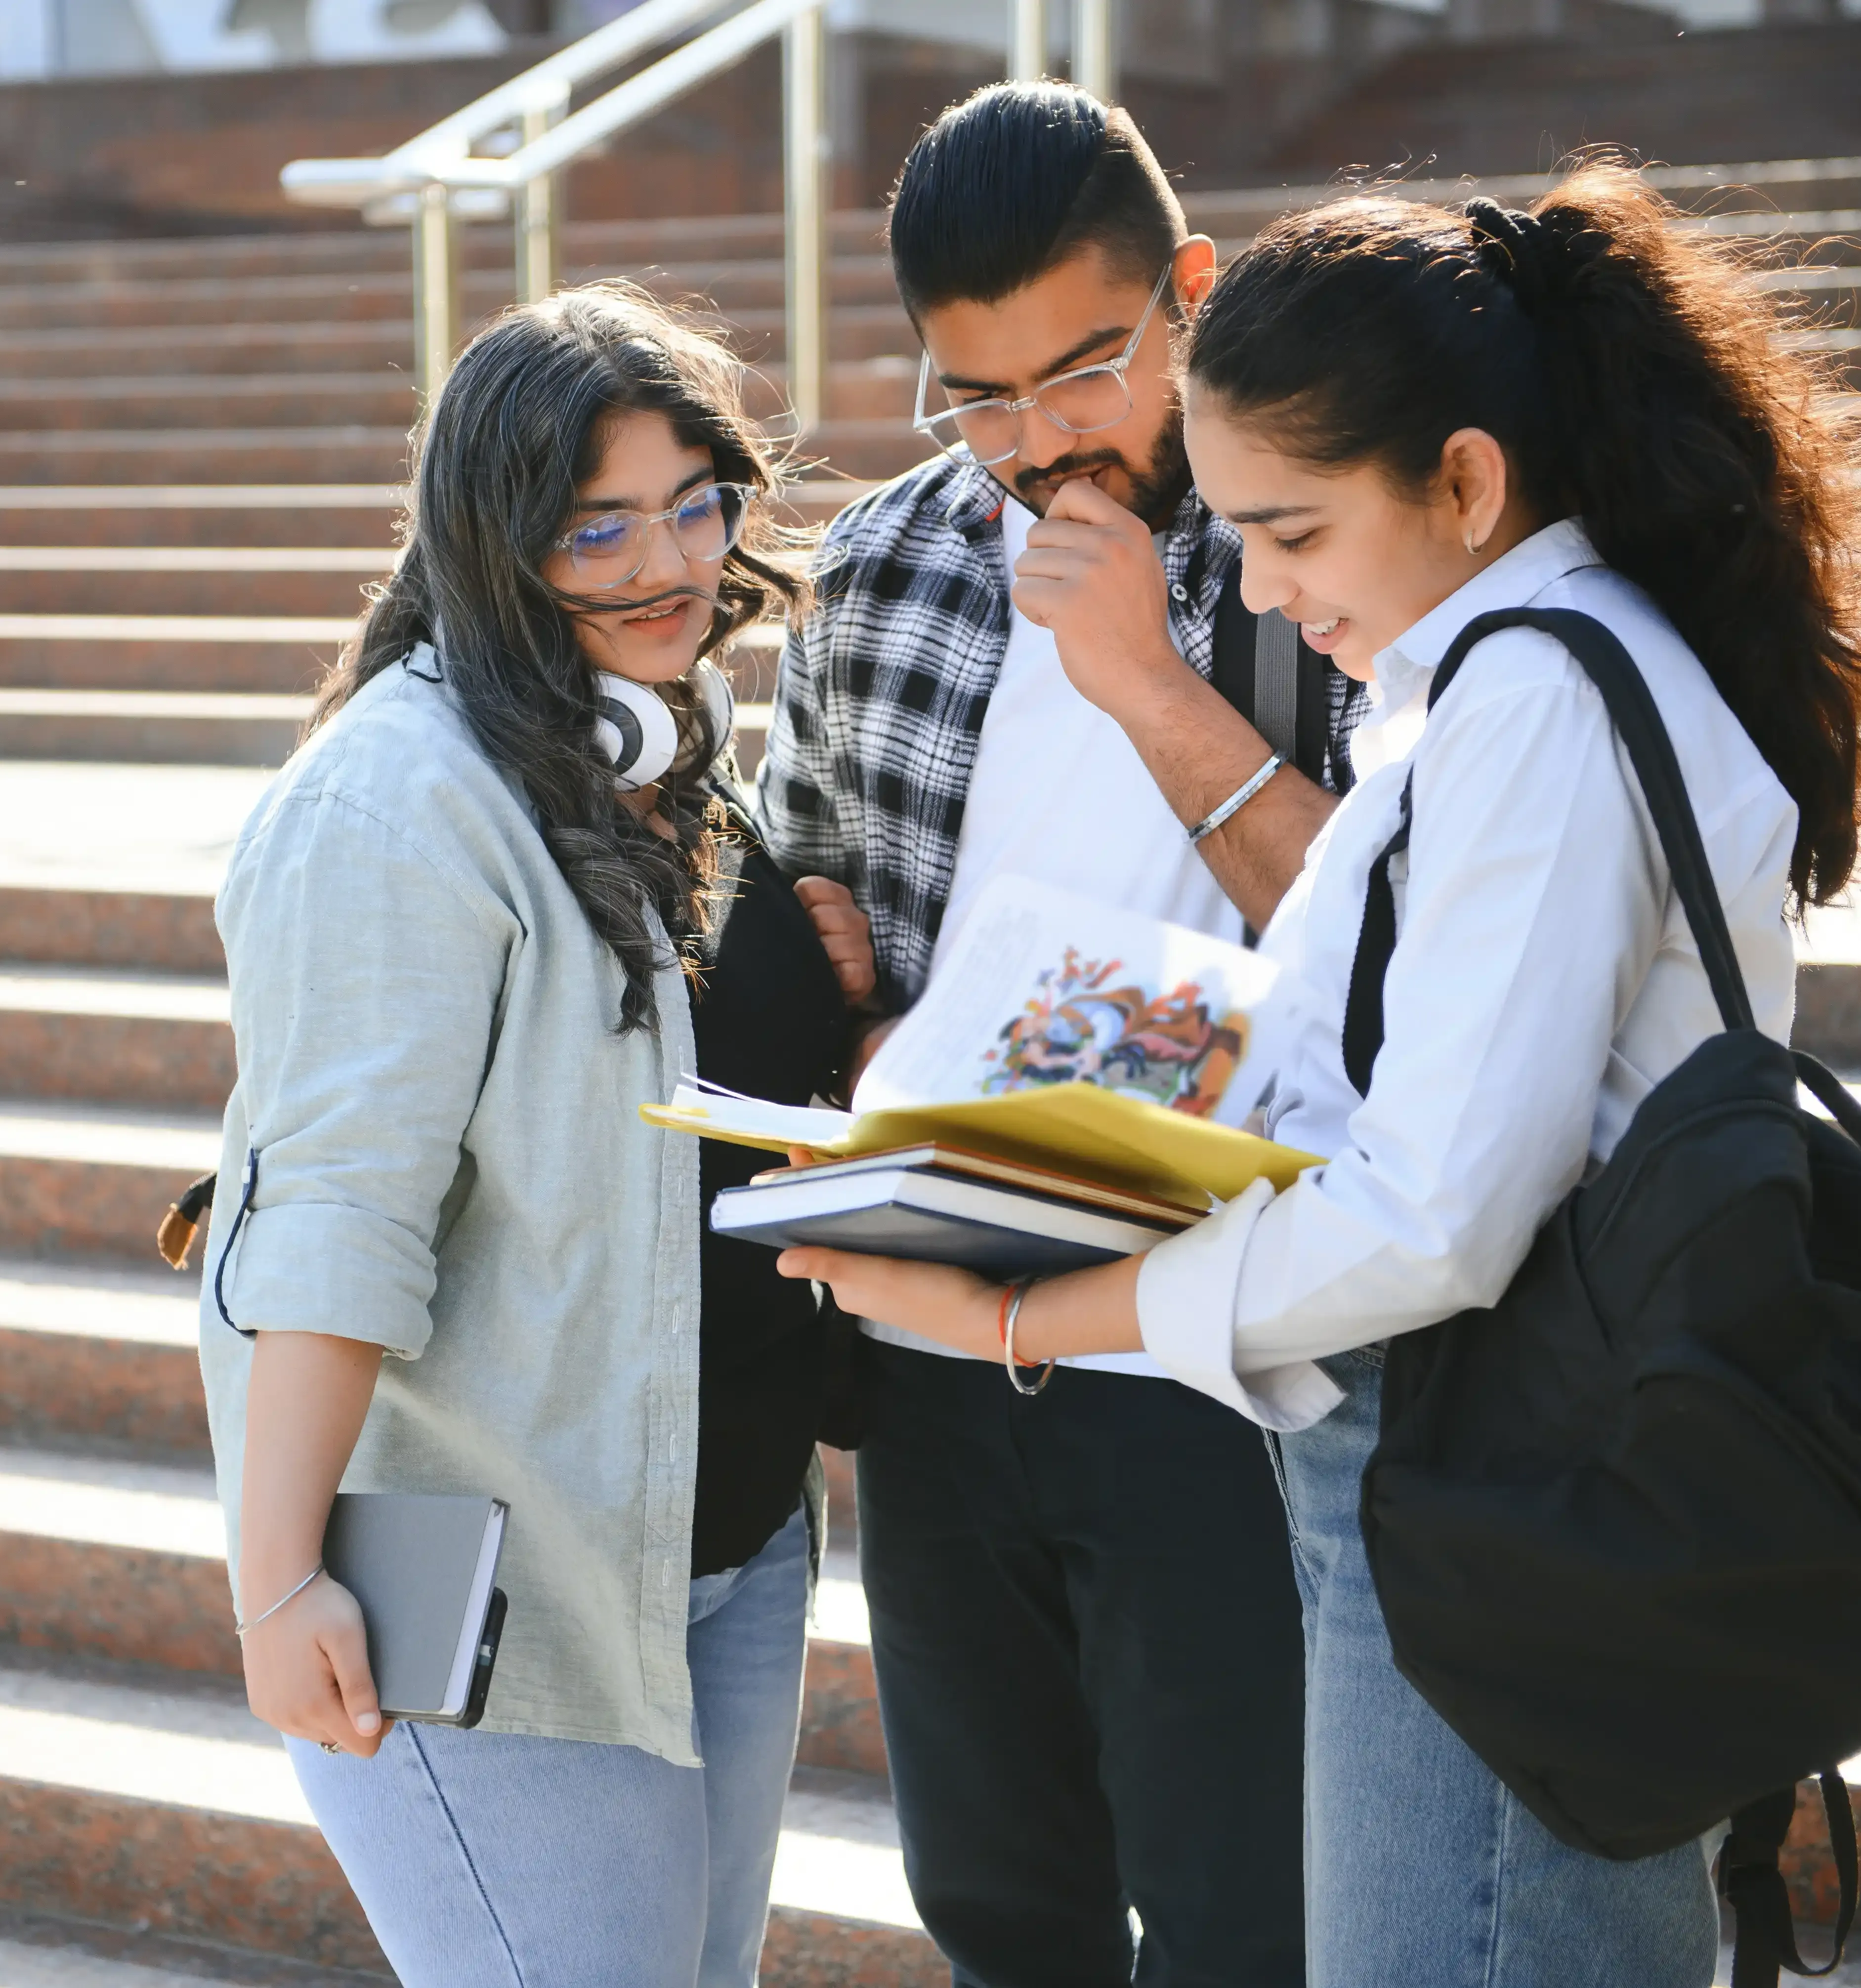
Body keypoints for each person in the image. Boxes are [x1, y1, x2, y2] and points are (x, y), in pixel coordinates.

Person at [777, 164, 1861, 1988]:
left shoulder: (1535, 701)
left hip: (1511, 1463)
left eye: (1295, 533)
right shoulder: (1468, 681)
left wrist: (1022, 1317)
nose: (1255, 586)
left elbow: (1433, 1220)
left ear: (1466, 483)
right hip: (1451, 1467)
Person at [198, 283, 881, 1986]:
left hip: (717, 1552)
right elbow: (334, 1217)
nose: (668, 564)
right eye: (597, 528)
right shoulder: (396, 803)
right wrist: (277, 1587)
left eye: (696, 506)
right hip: (499, 1595)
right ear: (495, 547)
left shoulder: (656, 751)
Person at [755, 82, 1352, 1987]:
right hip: (939, 1327)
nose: (1037, 444)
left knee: (1247, 1910)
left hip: (1221, 1332)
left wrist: (1143, 676)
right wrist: (830, 982)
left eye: (1085, 373)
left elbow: (1407, 939)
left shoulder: (1321, 544)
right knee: (1000, 1901)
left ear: (1192, 291)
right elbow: (807, 871)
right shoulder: (883, 565)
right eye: (979, 399)